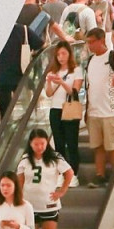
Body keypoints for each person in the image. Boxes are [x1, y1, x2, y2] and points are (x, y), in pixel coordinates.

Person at [18, 130, 73, 229]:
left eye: (42, 143)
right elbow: (20, 180)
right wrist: (19, 200)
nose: (40, 147)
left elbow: (69, 172)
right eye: (36, 144)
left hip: (49, 205)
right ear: (30, 144)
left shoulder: (55, 157)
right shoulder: (25, 159)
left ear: (47, 143)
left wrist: (62, 191)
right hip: (29, 205)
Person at [81, 26, 114, 183]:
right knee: (98, 146)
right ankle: (100, 175)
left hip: (112, 111)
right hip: (94, 111)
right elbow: (89, 86)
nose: (90, 45)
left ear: (102, 40)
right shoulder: (90, 60)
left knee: (112, 146)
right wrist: (87, 110)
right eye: (88, 42)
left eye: (92, 42)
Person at [41, 39, 83, 172]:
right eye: (58, 54)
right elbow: (49, 93)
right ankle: (62, 172)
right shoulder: (53, 71)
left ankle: (74, 172)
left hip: (69, 109)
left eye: (64, 53)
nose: (61, 57)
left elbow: (74, 92)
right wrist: (49, 81)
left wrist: (62, 82)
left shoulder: (76, 70)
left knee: (71, 143)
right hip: (55, 110)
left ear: (69, 54)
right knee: (59, 144)